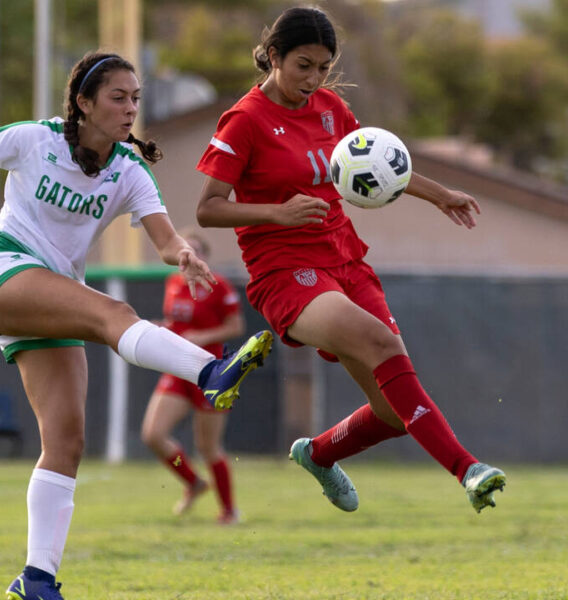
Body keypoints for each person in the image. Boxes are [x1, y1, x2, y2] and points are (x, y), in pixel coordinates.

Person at [0, 53, 274, 600]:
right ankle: (210, 371)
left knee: (67, 442)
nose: (130, 107)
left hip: (51, 299)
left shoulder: (129, 170)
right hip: (2, 270)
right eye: (118, 97)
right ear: (83, 103)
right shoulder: (34, 139)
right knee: (114, 315)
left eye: (136, 98)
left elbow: (165, 239)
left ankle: (36, 580)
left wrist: (184, 254)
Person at [194, 6, 505, 516]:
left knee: (393, 411)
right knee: (383, 345)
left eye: (322, 67)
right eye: (302, 65)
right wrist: (279, 213)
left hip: (346, 258)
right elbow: (207, 209)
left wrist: (439, 194)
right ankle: (468, 470)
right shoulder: (245, 120)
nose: (312, 79)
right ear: (274, 56)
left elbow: (379, 165)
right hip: (285, 272)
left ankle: (318, 455)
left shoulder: (330, 108)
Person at [140, 230, 246, 525]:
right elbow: (178, 323)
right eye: (185, 253)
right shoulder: (173, 282)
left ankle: (229, 510)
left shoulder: (219, 285)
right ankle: (193, 481)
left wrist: (202, 336)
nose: (188, 258)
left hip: (211, 371)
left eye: (196, 252)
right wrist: (160, 328)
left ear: (205, 257)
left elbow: (236, 326)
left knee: (208, 446)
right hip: (178, 367)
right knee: (153, 434)